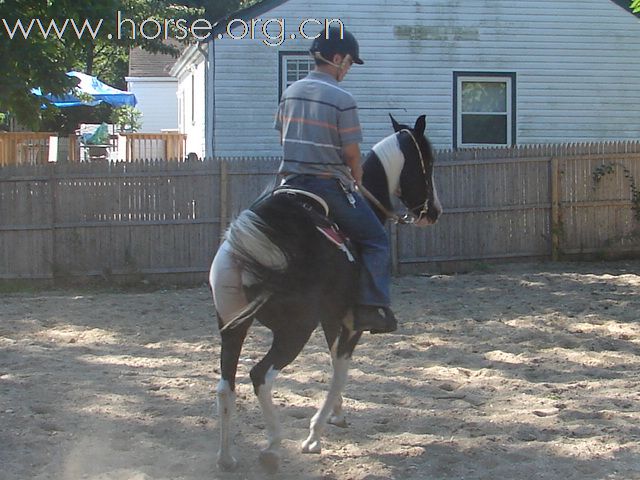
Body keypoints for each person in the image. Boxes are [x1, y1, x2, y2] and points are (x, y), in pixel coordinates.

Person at [274, 26, 396, 334]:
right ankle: (370, 308)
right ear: (338, 58)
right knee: (376, 240)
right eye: (350, 62)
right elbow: (352, 153)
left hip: (287, 185)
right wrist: (356, 178)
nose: (349, 69)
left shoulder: (290, 92)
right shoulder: (342, 98)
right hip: (327, 186)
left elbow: (282, 137)